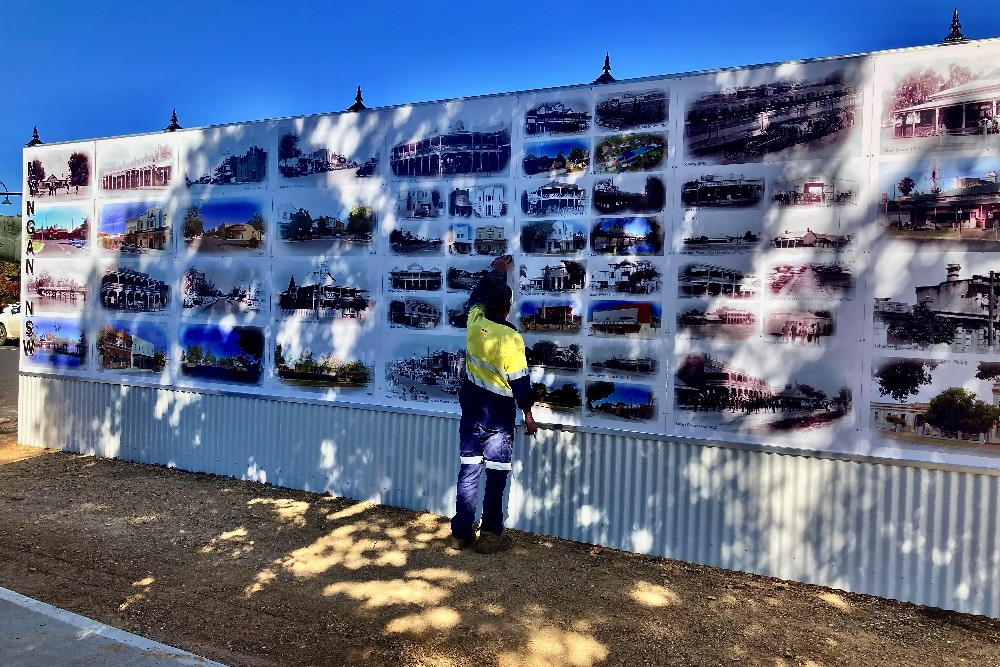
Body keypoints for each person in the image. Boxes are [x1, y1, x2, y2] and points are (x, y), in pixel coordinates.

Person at [451, 254, 536, 554]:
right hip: (499, 422)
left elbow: (475, 297)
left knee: (468, 475)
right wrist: (528, 414)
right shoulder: (511, 338)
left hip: (471, 417)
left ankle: (461, 534)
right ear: (508, 309)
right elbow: (520, 383)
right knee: (496, 479)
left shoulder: (474, 325)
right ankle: (490, 536)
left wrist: (495, 272)